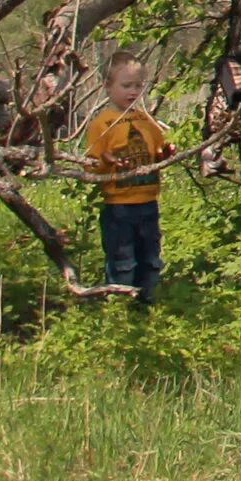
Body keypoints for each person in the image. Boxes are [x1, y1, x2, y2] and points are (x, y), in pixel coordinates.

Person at [82, 51, 168, 306]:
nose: (133, 92)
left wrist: (165, 153)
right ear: (107, 87)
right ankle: (119, 310)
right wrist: (105, 162)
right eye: (126, 85)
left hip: (147, 202)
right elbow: (91, 166)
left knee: (150, 258)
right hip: (118, 206)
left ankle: (145, 306)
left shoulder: (144, 119)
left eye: (138, 86)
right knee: (123, 261)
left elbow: (158, 149)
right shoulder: (102, 123)